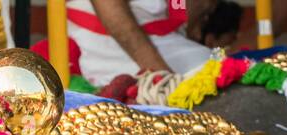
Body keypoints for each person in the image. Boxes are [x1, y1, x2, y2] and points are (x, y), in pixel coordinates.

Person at [65, 0, 221, 91]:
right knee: (216, 67)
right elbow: (109, 7)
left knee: (219, 61)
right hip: (112, 46)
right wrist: (161, 78)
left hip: (161, 40)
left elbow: (178, 10)